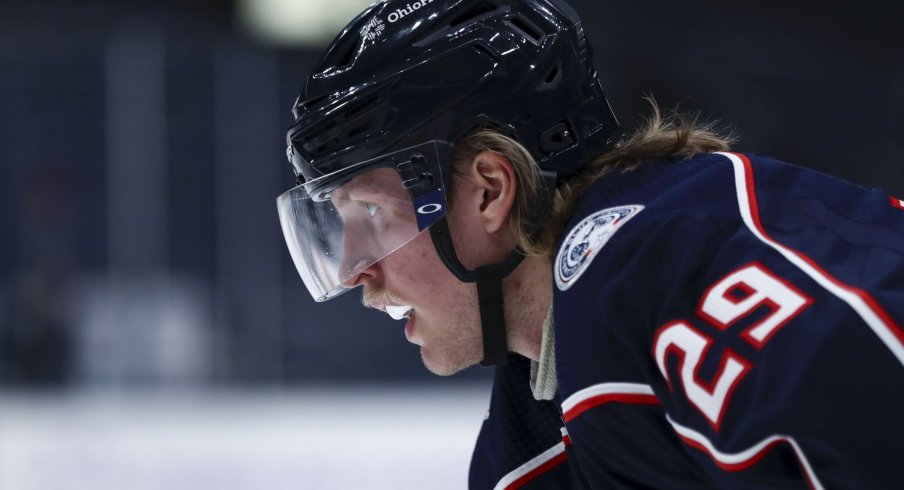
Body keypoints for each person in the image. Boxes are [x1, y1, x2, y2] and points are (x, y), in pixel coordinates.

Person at [275, 0, 904, 487]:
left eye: (373, 213)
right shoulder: (536, 418)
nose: (355, 270)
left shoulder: (667, 268)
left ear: (491, 191)